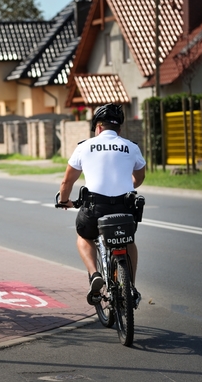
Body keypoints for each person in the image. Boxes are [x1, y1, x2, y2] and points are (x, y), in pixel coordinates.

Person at [58, 103, 146, 306]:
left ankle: (95, 273)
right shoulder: (131, 146)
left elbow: (67, 182)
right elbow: (139, 177)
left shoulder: (84, 146)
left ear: (98, 127)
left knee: (83, 235)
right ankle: (129, 287)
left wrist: (64, 200)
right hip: (125, 208)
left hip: (96, 208)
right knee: (128, 240)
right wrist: (127, 185)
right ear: (119, 129)